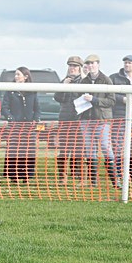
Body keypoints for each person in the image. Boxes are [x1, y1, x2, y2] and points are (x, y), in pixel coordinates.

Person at [78, 54, 118, 188]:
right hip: (86, 120)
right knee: (90, 150)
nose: (90, 66)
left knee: (106, 148)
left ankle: (115, 181)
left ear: (98, 64)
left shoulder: (106, 80)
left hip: (102, 120)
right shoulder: (83, 82)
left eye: (92, 63)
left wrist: (94, 100)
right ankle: (93, 182)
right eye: (88, 63)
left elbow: (111, 101)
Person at [1, 67, 40, 183]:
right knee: (14, 150)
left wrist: (35, 119)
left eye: (18, 74)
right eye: (15, 74)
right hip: (14, 127)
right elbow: (4, 108)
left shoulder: (32, 91)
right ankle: (14, 176)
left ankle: (26, 176)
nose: (16, 77)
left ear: (26, 77)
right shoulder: (10, 91)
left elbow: (37, 109)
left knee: (28, 151)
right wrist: (11, 119)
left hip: (29, 127)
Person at [109, 54, 132, 180]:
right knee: (118, 145)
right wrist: (121, 99)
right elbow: (109, 94)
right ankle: (119, 172)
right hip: (120, 116)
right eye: (125, 63)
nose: (127, 65)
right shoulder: (114, 78)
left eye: (129, 63)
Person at [54, 56, 84, 184]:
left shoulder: (84, 82)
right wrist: (63, 86)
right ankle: (63, 176)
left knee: (79, 149)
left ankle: (79, 174)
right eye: (70, 66)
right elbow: (57, 98)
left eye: (75, 66)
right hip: (65, 119)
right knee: (64, 149)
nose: (72, 68)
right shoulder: (63, 81)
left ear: (80, 68)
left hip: (79, 119)